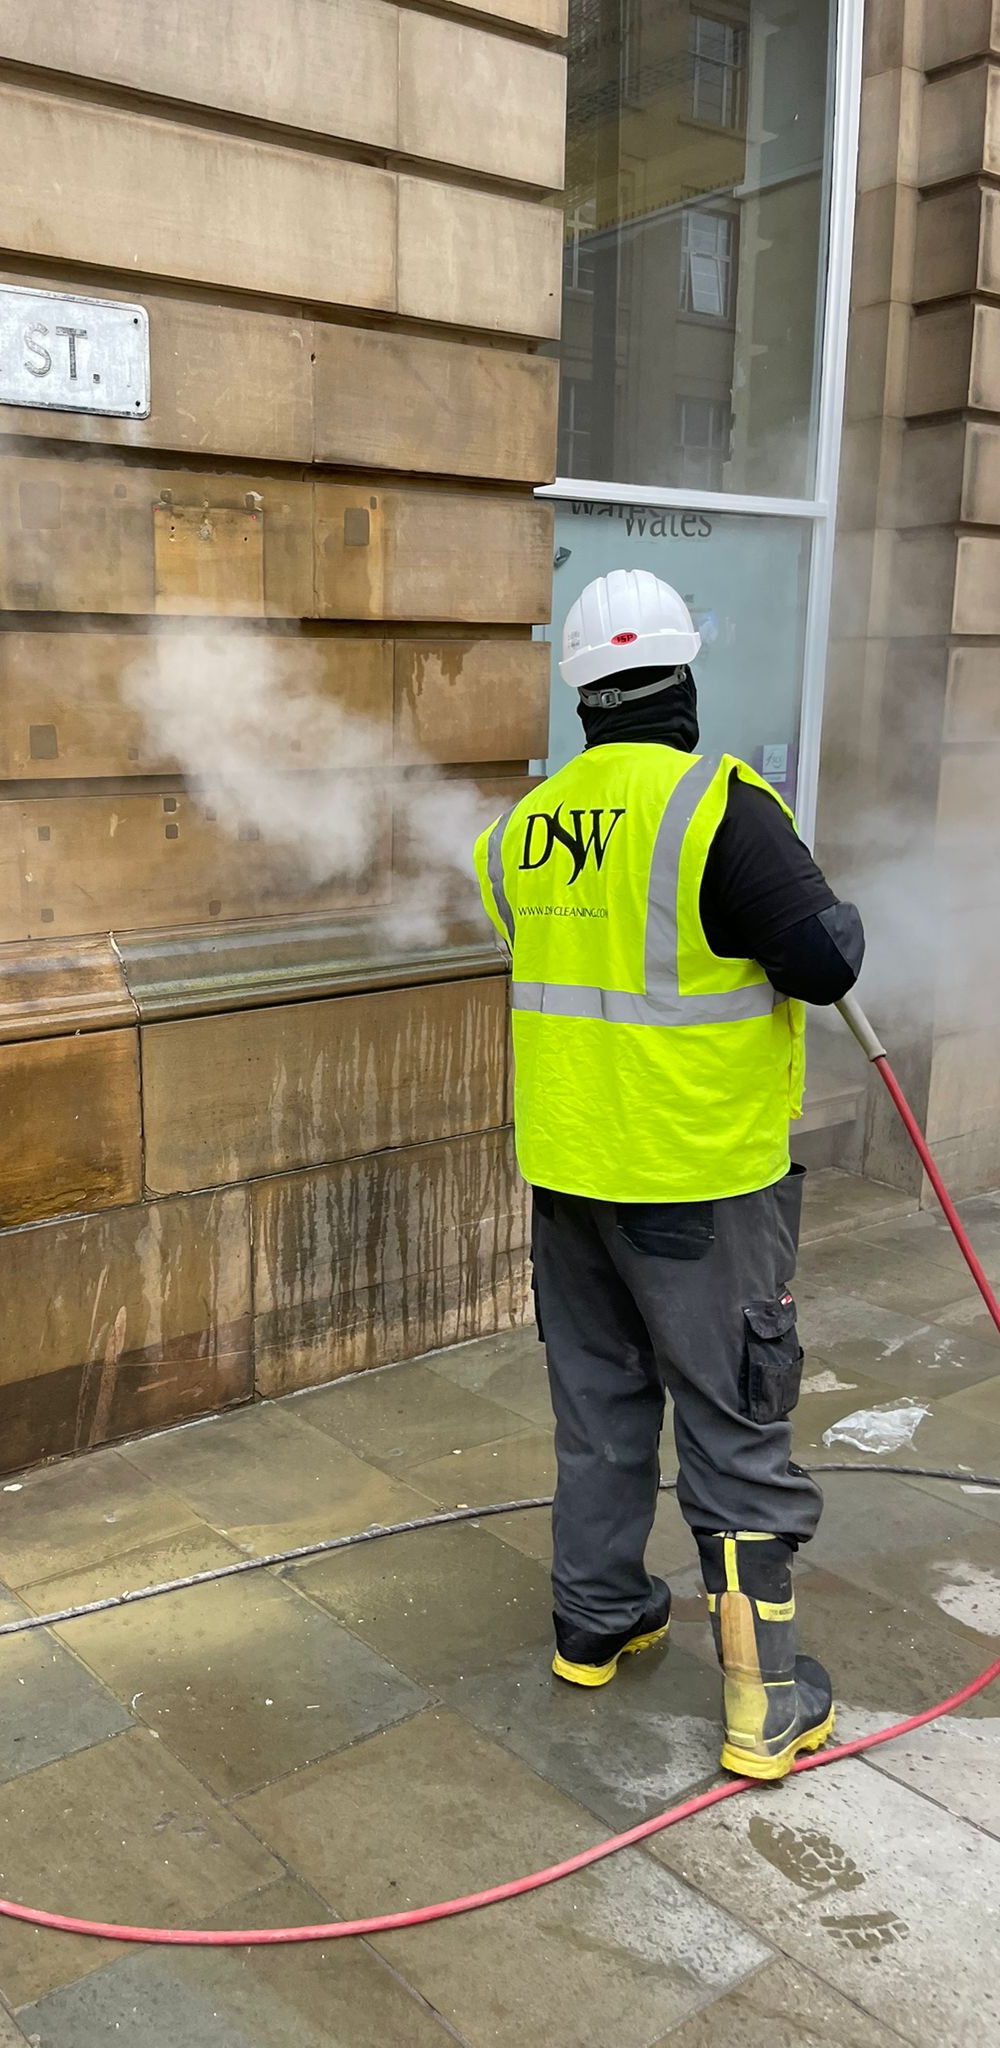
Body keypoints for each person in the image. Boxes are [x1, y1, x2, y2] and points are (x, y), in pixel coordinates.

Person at [474, 568, 865, 1781]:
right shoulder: (724, 806)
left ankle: (596, 1623)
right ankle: (765, 1703)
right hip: (700, 1185)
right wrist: (838, 924)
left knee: (599, 1416)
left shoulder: (519, 829)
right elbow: (821, 959)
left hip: (572, 1181)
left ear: (582, 697)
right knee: (736, 1428)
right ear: (684, 678)